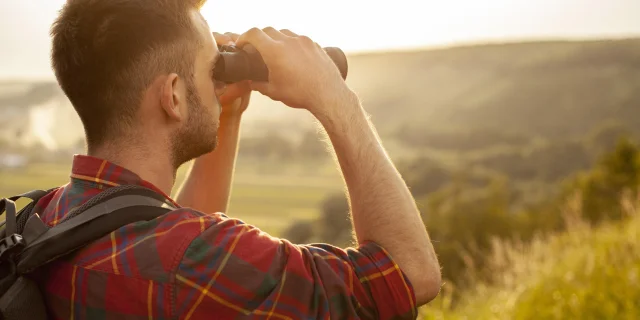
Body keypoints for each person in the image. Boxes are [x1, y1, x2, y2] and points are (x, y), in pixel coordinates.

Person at [33, 0, 441, 318]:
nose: (216, 80)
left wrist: (225, 118)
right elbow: (409, 276)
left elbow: (168, 236)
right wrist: (332, 96)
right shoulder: (197, 262)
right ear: (173, 96)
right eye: (211, 68)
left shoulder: (45, 217)